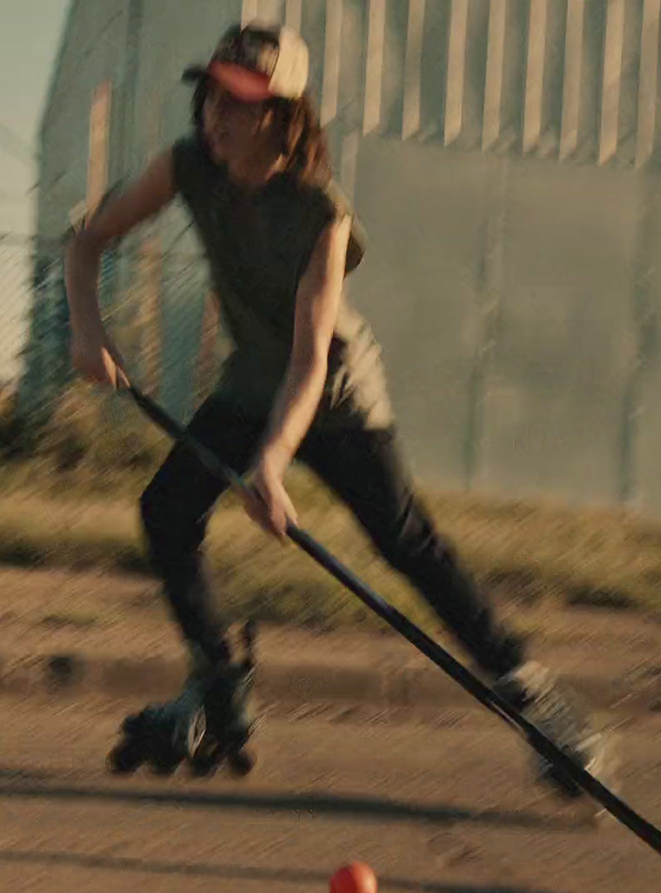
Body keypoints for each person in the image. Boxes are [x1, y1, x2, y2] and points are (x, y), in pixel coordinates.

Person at [64, 22, 610, 795]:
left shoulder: (322, 212)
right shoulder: (189, 168)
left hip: (336, 394)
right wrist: (88, 330)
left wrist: (273, 464)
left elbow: (310, 359)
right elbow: (87, 241)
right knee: (167, 509)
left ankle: (534, 695)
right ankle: (219, 684)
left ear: (285, 116)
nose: (217, 117)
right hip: (253, 382)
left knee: (404, 539)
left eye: (241, 104)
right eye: (212, 96)